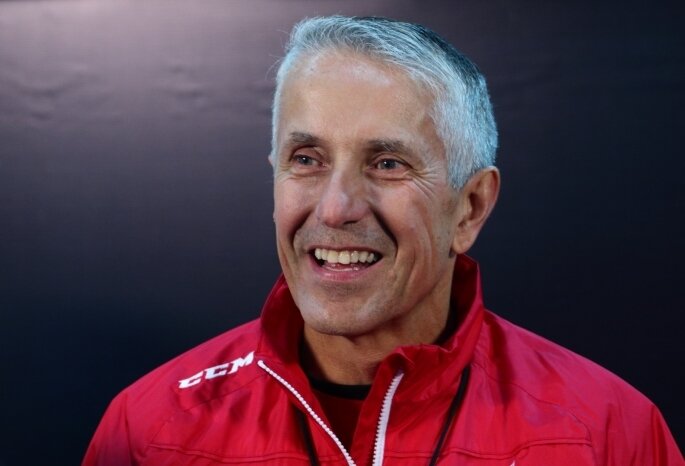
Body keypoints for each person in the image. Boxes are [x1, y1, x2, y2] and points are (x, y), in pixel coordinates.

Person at [83, 16, 683, 466]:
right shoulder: (148, 429)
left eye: (389, 163)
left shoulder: (608, 432)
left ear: (470, 207)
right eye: (307, 158)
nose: (335, 208)